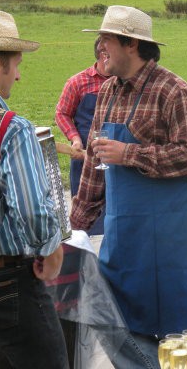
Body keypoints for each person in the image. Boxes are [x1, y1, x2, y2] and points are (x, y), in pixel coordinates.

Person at [70, 5, 187, 367]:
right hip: (127, 229)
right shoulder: (107, 92)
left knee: (174, 333)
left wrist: (131, 154)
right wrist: (76, 225)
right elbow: (95, 161)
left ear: (132, 45)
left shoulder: (174, 91)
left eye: (106, 40)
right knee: (106, 314)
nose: (100, 47)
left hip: (176, 231)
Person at [0, 10, 67, 368]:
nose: (18, 75)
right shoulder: (10, 129)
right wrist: (51, 249)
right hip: (5, 281)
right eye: (16, 65)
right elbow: (32, 211)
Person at [55, 36, 109, 235]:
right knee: (86, 215)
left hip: (115, 157)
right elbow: (61, 113)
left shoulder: (123, 82)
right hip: (84, 159)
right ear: (104, 56)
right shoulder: (78, 82)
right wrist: (75, 138)